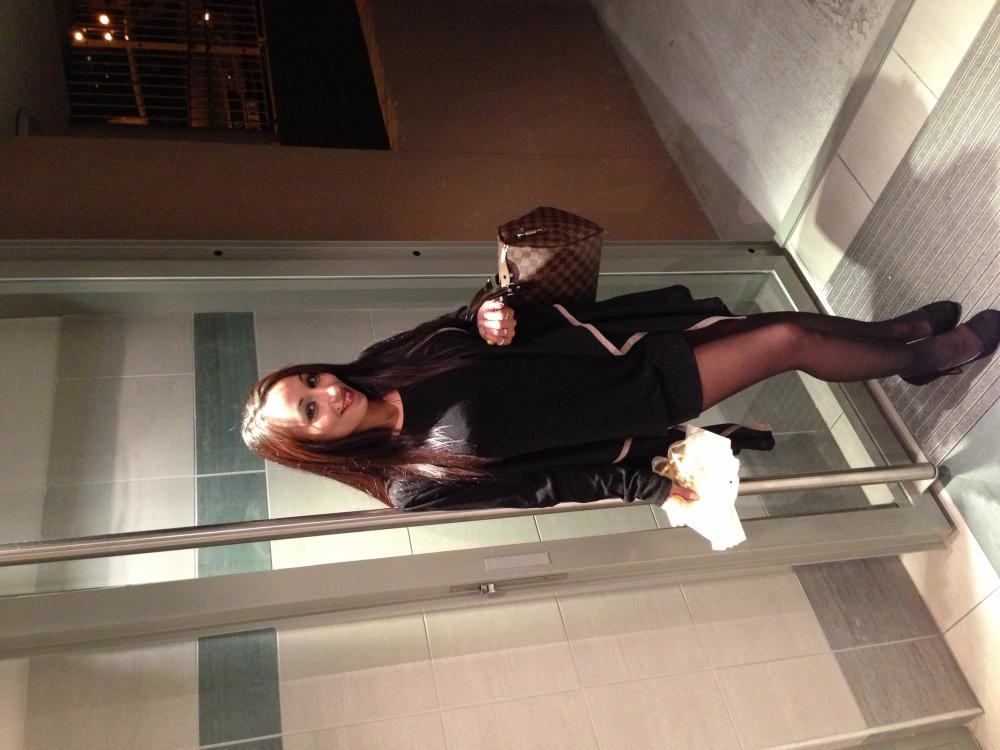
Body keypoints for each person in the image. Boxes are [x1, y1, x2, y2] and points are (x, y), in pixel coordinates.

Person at [241, 286, 998, 511]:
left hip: (615, 341)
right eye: (309, 411)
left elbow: (468, 322)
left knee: (774, 324)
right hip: (632, 397)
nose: (327, 393)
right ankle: (927, 358)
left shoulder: (385, 362)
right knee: (786, 344)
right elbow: (540, 486)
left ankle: (897, 335)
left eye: (309, 381)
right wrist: (645, 485)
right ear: (315, 447)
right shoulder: (412, 483)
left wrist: (489, 314)